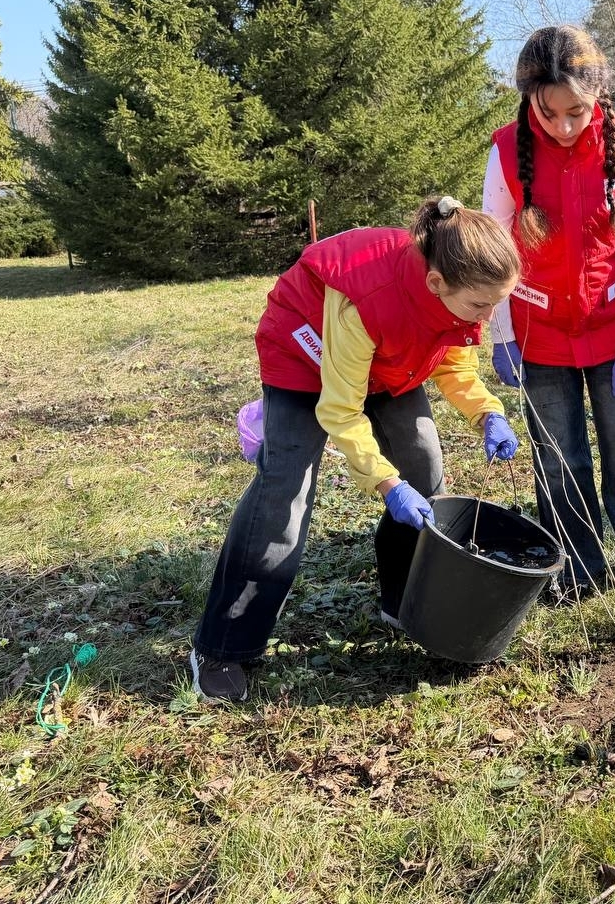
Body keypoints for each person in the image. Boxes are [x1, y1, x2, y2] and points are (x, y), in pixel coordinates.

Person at [190, 198, 523, 701]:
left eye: (496, 303)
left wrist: (487, 413)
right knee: (286, 492)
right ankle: (222, 646)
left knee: (423, 459)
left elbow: (453, 364)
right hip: (304, 355)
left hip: (389, 360)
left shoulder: (459, 289)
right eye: (482, 305)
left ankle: (403, 600)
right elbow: (341, 411)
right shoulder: (367, 301)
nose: (489, 315)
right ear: (436, 283)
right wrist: (387, 484)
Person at [482, 24, 615, 599]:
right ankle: (579, 567)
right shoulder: (505, 153)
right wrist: (502, 334)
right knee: (559, 459)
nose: (563, 127)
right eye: (548, 114)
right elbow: (495, 248)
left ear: (598, 100)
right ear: (529, 101)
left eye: (576, 113)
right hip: (539, 338)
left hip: (611, 333)